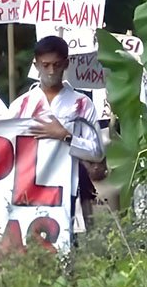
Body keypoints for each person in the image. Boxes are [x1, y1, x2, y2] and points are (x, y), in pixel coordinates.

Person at [9, 35, 105, 235]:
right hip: (28, 185)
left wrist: (65, 135)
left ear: (66, 64)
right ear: (36, 65)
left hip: (67, 186)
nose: (51, 71)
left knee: (65, 239)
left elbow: (96, 152)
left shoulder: (81, 104)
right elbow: (4, 145)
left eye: (57, 65)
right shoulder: (21, 105)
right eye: (45, 65)